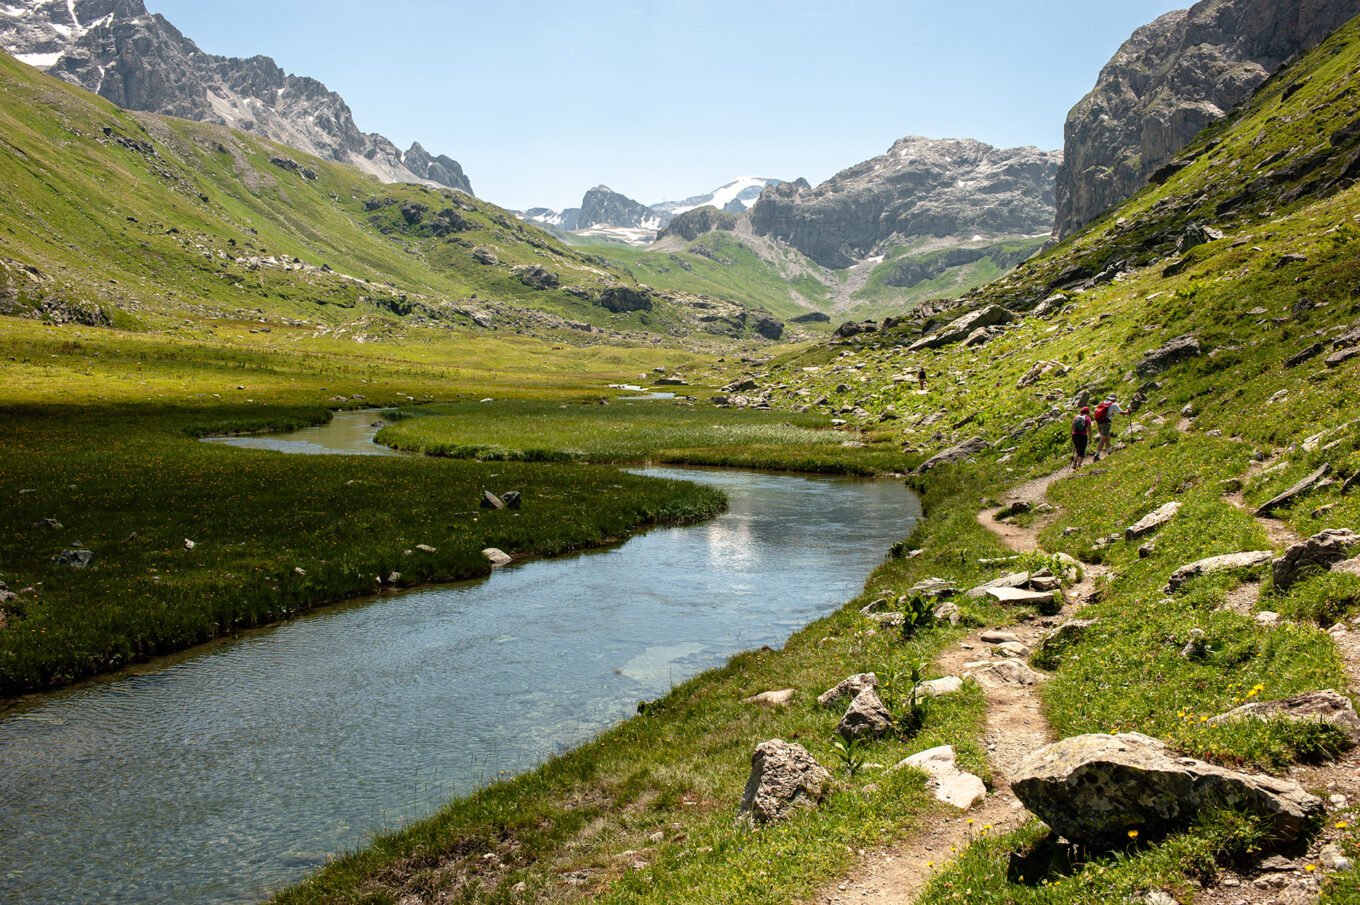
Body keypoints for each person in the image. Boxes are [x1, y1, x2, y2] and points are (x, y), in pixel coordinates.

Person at [1092, 395, 1125, 461]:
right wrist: (1128, 412)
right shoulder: (1114, 404)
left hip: (1099, 421)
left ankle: (1109, 451)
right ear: (1114, 399)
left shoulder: (1103, 403)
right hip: (1106, 422)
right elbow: (1121, 412)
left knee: (1107, 436)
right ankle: (1097, 454)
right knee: (1103, 438)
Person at [1071, 405, 1093, 470]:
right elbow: (1089, 429)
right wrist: (1090, 438)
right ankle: (1079, 466)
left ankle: (1074, 464)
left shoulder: (1076, 417)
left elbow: (1072, 427)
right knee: (1082, 451)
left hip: (1074, 435)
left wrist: (1072, 435)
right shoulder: (1087, 418)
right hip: (1083, 436)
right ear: (1087, 412)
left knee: (1078, 450)